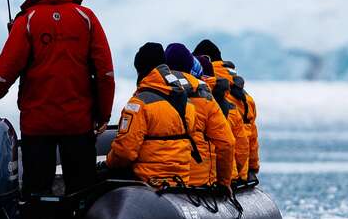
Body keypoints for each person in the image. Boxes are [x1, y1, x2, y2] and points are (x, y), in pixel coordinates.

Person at [0, 0, 114, 194]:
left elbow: (4, 74)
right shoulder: (87, 17)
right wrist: (103, 114)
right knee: (82, 191)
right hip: (78, 123)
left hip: (37, 124)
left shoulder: (27, 20)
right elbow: (105, 73)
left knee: (37, 192)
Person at [105, 43, 198, 188]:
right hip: (181, 181)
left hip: (146, 181)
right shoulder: (187, 102)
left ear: (141, 69)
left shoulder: (139, 104)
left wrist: (107, 162)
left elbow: (125, 153)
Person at [164, 43, 235, 188]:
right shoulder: (206, 100)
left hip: (157, 180)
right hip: (198, 182)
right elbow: (227, 143)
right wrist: (224, 184)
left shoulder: (149, 96)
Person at [195, 39, 259, 182]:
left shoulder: (209, 90)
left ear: (206, 60)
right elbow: (251, 138)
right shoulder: (245, 96)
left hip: (218, 174)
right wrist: (252, 169)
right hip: (240, 171)